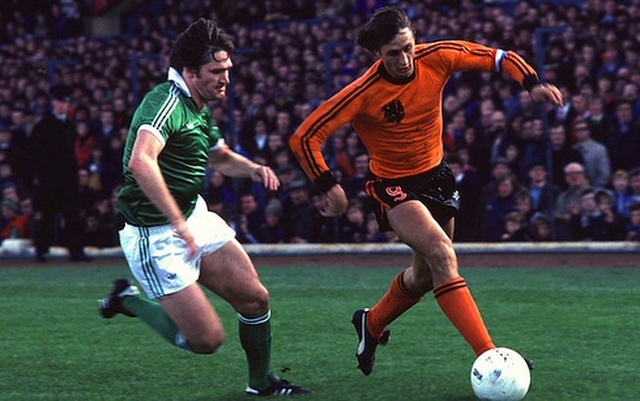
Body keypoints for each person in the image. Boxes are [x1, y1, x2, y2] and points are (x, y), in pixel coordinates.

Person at [289, 7, 563, 376]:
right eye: (393, 53)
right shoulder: (363, 92)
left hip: (438, 178)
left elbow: (499, 57)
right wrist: (329, 186)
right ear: (377, 53)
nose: (404, 59)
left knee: (424, 276)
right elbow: (304, 137)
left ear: (415, 40)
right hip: (393, 187)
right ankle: (489, 355)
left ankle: (371, 323)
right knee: (442, 253)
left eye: (408, 48)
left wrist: (532, 82)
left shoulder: (437, 56)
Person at [97, 19, 310, 397]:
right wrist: (178, 225)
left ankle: (260, 383)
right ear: (190, 72)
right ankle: (127, 300)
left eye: (227, 69)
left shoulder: (198, 105)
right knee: (207, 341)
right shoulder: (165, 102)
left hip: (192, 215)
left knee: (255, 298)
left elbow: (219, 156)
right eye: (216, 71)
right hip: (155, 235)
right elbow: (141, 162)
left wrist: (253, 169)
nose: (226, 78)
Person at [25, 84, 91, 262]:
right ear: (53, 103)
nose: (63, 105)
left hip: (68, 179)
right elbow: (33, 155)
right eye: (60, 102)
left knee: (73, 216)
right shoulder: (43, 126)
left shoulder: (69, 125)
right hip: (49, 179)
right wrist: (37, 177)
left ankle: (76, 251)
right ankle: (41, 251)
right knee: (47, 216)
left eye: (66, 102)